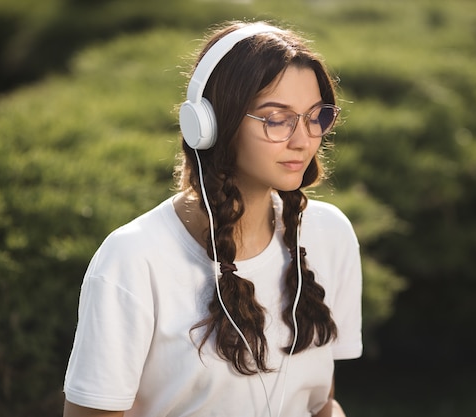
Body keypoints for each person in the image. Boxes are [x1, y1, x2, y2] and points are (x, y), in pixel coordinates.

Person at [63, 20, 362, 417]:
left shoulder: (331, 233)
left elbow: (321, 403)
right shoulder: (134, 258)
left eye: (315, 116)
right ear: (211, 124)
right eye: (277, 119)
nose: (303, 139)